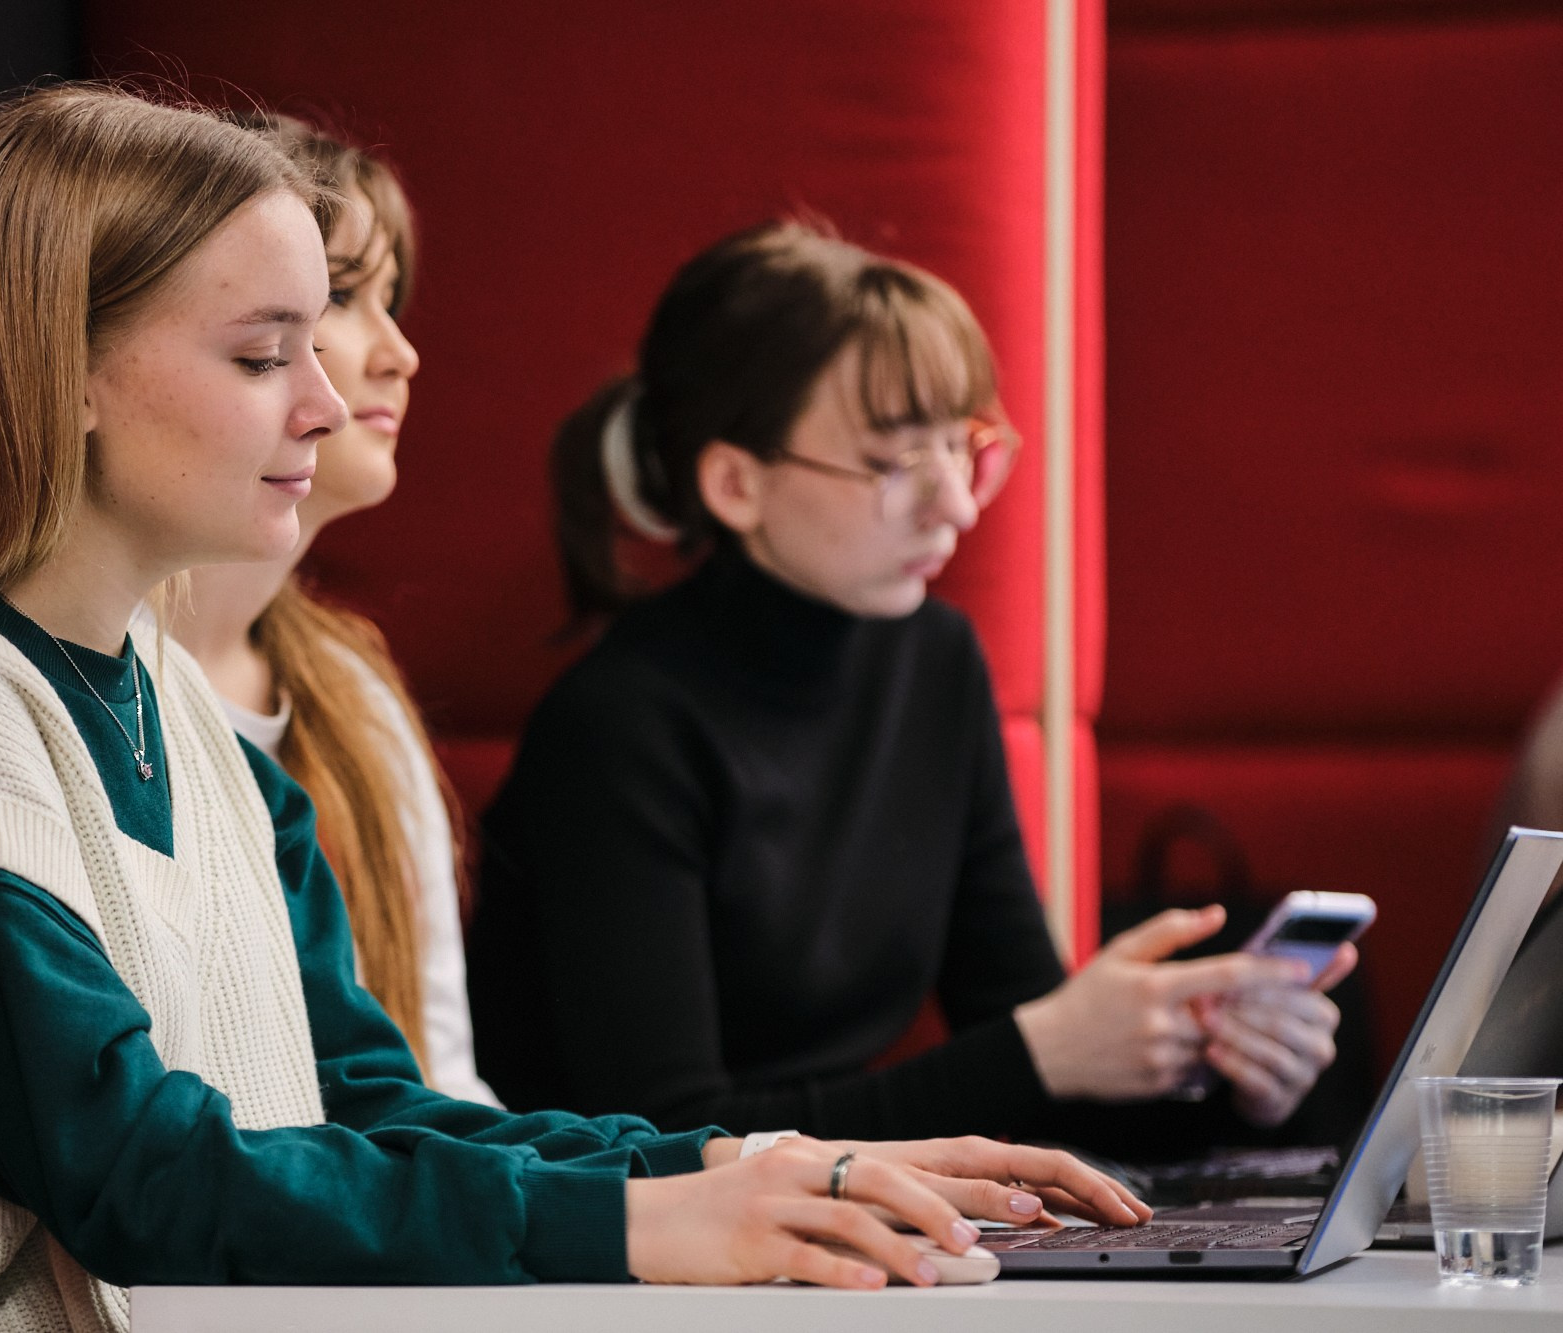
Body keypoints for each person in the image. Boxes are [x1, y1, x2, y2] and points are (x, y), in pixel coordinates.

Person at [0, 87, 1147, 1327]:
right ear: (56, 371)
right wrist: (639, 1223)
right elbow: (140, 1174)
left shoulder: (173, 705)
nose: (324, 402)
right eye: (260, 358)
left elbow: (365, 1102)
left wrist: (749, 1169)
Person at [468, 221, 1357, 1158]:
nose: (960, 506)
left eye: (961, 446)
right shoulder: (617, 725)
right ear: (736, 483)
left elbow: (1034, 1069)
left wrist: (1224, 1079)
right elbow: (662, 1136)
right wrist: (1041, 1050)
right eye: (896, 462)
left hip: (827, 1241)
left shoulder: (936, 665)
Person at [166, 116, 494, 1104]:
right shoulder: (96, 671)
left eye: (385, 300)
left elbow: (442, 1078)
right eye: (344, 298)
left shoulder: (351, 687)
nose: (400, 354)